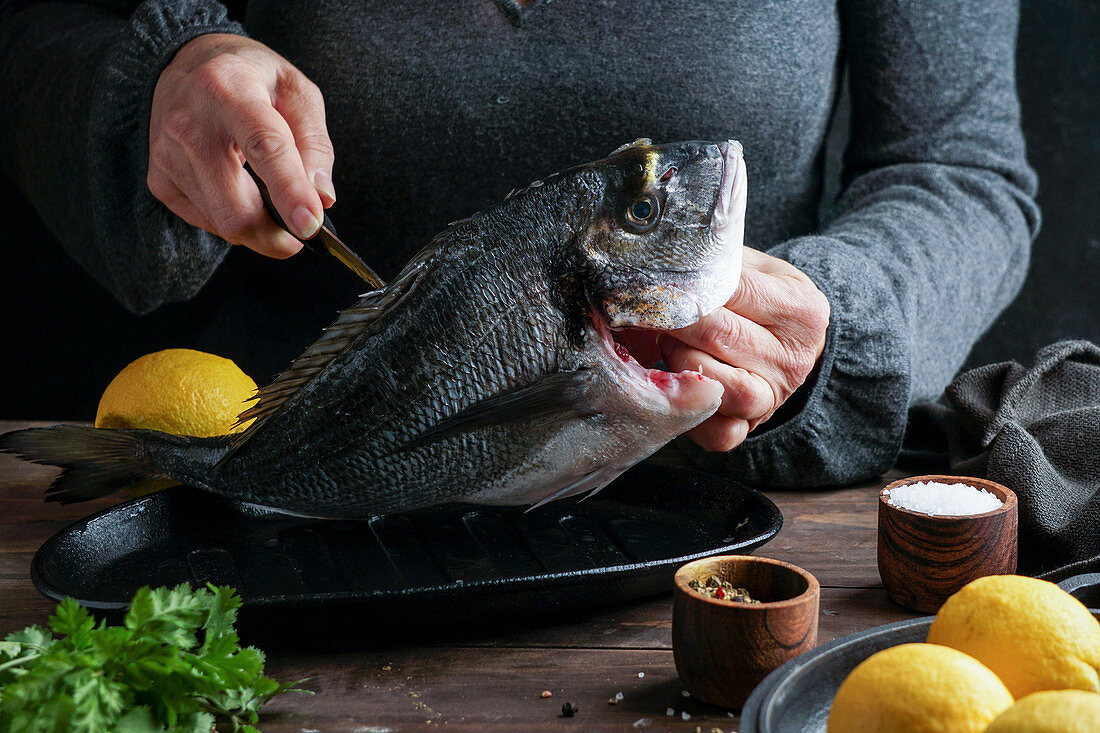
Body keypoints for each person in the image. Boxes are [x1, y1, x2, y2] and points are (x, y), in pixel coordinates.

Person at [0, 0, 1038, 488]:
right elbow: (36, 31)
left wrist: (832, 313)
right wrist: (156, 80)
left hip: (734, 507)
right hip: (289, 508)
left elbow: (959, 169)